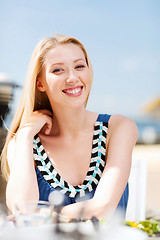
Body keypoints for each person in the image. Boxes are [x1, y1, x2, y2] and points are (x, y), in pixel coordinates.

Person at [1, 34, 138, 220]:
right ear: (40, 83)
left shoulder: (119, 128)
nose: (72, 77)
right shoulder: (23, 142)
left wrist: (43, 214)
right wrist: (25, 135)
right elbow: (21, 209)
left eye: (80, 66)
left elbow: (103, 207)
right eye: (58, 70)